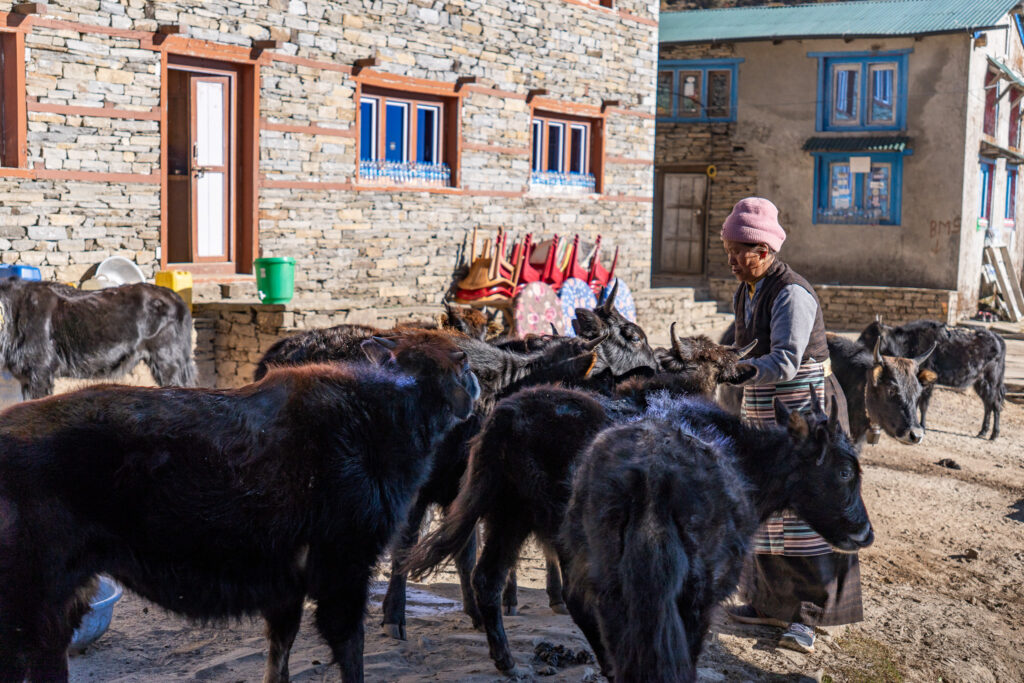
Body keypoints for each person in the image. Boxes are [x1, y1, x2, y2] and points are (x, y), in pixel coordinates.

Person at [720, 197, 861, 653]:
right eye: (728, 248)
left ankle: (806, 619)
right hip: (765, 413)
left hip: (806, 415)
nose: (732, 259)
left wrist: (736, 373)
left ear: (764, 250)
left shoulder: (791, 294)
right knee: (765, 508)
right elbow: (748, 350)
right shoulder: (747, 289)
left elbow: (784, 361)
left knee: (805, 514)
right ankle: (766, 605)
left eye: (740, 250)